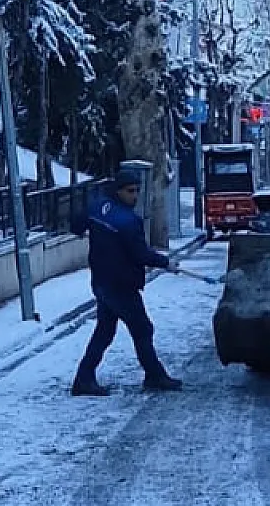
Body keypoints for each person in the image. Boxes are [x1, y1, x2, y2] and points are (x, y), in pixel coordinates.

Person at [70, 168, 183, 396]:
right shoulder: (128, 221)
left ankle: (84, 378)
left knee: (105, 331)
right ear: (118, 190)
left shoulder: (97, 208)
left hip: (101, 282)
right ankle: (154, 376)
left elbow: (76, 226)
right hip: (120, 286)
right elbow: (140, 254)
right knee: (142, 328)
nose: (135, 196)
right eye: (130, 191)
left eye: (137, 191)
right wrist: (166, 263)